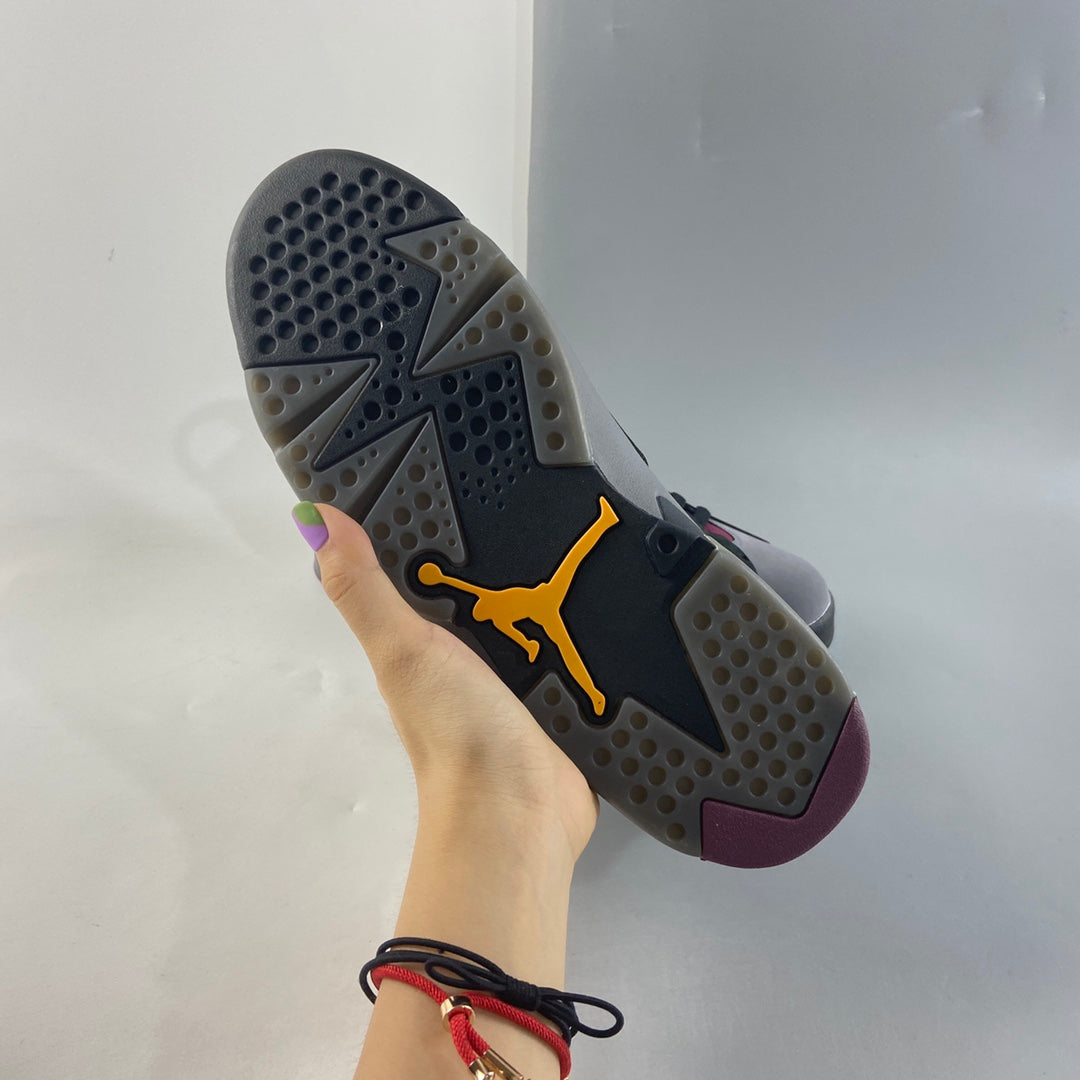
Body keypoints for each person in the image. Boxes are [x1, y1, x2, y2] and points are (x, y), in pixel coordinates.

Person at [307, 503, 598, 1080]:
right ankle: (608, 526)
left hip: (541, 607)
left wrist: (505, 791)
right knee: (570, 603)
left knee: (569, 607)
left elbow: (481, 599)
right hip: (545, 604)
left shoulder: (493, 603)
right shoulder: (500, 606)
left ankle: (607, 527)